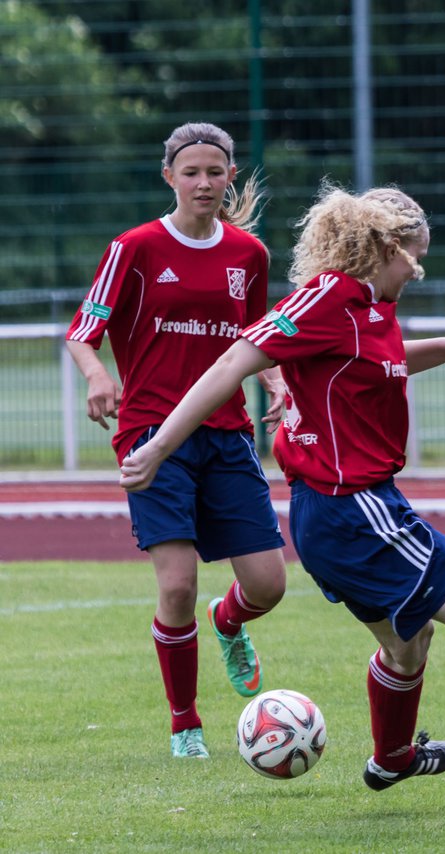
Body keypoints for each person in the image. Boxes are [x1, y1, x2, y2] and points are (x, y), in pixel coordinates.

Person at [119, 184, 445, 836]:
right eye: (414, 257)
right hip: (355, 510)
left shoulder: (372, 308)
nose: (417, 270)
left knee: (408, 646)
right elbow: (235, 358)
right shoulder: (328, 296)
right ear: (382, 246)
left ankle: (394, 759)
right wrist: (158, 447)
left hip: (348, 514)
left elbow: (379, 362)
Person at [65, 122, 288, 760]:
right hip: (151, 433)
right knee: (176, 584)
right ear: (169, 177)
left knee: (269, 585)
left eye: (215, 172)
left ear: (229, 178)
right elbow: (84, 331)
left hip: (225, 435)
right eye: (191, 172)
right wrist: (99, 374)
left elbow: (257, 339)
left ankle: (230, 621)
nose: (203, 183)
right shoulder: (133, 247)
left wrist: (276, 381)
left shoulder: (249, 254)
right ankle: (185, 722)